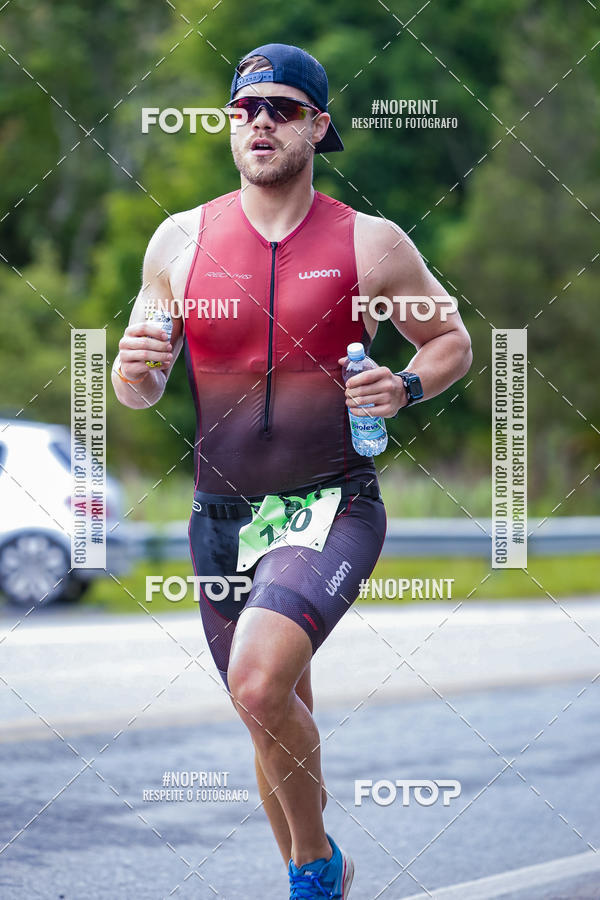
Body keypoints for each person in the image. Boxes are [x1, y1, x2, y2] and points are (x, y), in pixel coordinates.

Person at [112, 42, 472, 900]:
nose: (260, 122)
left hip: (330, 504)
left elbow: (452, 341)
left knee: (258, 681)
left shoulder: (370, 245)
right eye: (245, 109)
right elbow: (137, 384)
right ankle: (309, 876)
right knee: (264, 708)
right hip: (221, 515)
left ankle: (316, 868)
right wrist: (130, 372)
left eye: (280, 107)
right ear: (231, 127)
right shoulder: (181, 239)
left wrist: (408, 384)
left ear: (318, 125)